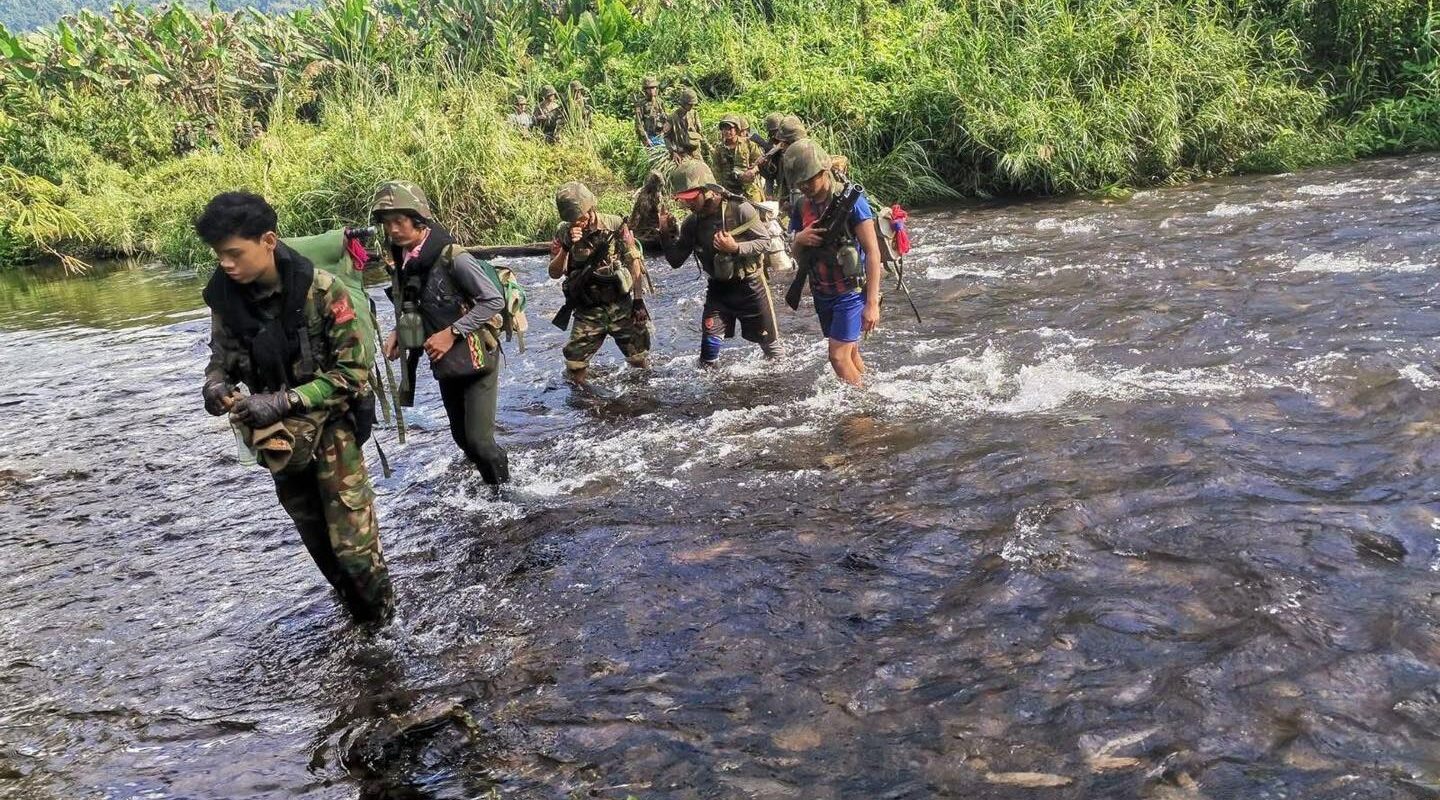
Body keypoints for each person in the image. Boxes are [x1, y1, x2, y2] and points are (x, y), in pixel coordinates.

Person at [196, 191, 394, 623]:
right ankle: (358, 622)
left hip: (333, 429)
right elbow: (220, 359)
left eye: (234, 253)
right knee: (319, 545)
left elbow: (353, 373)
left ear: (268, 241)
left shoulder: (322, 291)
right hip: (280, 442)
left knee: (355, 552)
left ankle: (385, 626)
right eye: (219, 255)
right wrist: (215, 386)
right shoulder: (227, 301)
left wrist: (286, 399)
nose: (225, 264)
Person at [372, 181, 512, 489]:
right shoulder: (404, 259)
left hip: (477, 355)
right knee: (462, 438)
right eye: (387, 223)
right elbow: (416, 303)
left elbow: (493, 301)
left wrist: (452, 332)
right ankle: (491, 487)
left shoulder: (453, 257)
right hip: (446, 360)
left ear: (418, 219)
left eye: (399, 221)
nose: (392, 229)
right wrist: (398, 331)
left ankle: (507, 493)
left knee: (480, 442)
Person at [659, 159, 781, 366]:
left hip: (751, 288)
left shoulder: (740, 209)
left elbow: (764, 242)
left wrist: (735, 248)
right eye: (684, 200)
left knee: (773, 353)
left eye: (692, 198)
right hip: (718, 291)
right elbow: (675, 261)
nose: (688, 204)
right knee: (707, 360)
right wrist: (664, 234)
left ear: (707, 191)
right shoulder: (692, 223)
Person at [784, 139, 883, 387]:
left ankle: (861, 406)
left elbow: (873, 252)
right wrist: (800, 239)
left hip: (850, 292)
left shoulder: (851, 202)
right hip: (822, 291)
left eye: (809, 180)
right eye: (800, 182)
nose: (805, 186)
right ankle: (869, 390)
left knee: (837, 357)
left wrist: (872, 304)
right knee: (850, 351)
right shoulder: (801, 205)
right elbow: (796, 255)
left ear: (824, 170)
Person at [548, 182, 651, 384]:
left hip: (619, 304)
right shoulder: (563, 232)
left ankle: (642, 399)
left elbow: (634, 261)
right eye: (572, 220)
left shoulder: (615, 225)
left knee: (639, 359)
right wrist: (566, 247)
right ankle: (583, 398)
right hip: (587, 308)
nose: (578, 223)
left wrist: (638, 301)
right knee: (575, 366)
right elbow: (554, 273)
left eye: (581, 218)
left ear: (590, 208)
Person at [711, 115, 766, 203]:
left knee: (756, 209)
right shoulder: (719, 149)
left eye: (730, 129)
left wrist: (753, 171)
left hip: (749, 189)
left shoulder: (748, 144)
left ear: (736, 129)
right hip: (729, 191)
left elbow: (760, 161)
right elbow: (716, 171)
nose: (727, 132)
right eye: (724, 129)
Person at [664, 88, 709, 162]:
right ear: (683, 103)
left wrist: (709, 148)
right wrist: (673, 152)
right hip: (681, 153)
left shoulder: (694, 114)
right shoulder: (672, 118)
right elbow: (666, 137)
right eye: (689, 104)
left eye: (693, 104)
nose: (692, 106)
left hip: (695, 151)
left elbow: (700, 133)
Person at [634, 76, 668, 148]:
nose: (652, 90)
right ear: (645, 90)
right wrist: (645, 139)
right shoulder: (641, 104)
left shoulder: (659, 102)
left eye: (653, 88)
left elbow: (665, 119)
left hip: (661, 136)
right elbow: (638, 124)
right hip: (649, 137)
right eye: (649, 88)